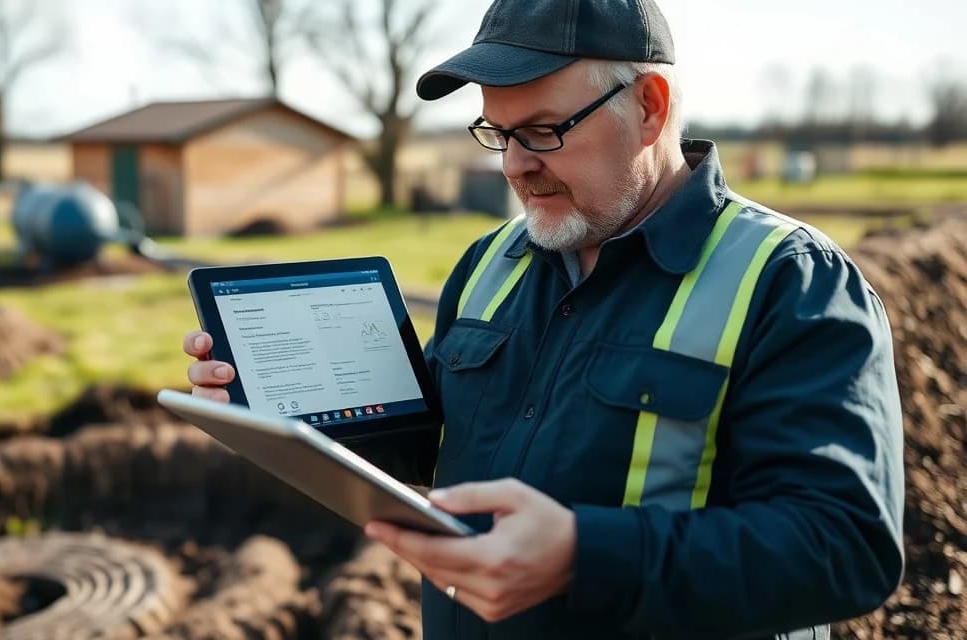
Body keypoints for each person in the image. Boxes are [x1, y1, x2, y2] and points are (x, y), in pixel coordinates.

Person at [183, 0, 905, 637]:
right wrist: (284, 416)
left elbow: (844, 547)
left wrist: (584, 557)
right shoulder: (491, 262)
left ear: (649, 107)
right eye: (497, 133)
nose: (514, 167)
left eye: (543, 130)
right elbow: (427, 451)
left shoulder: (791, 282)